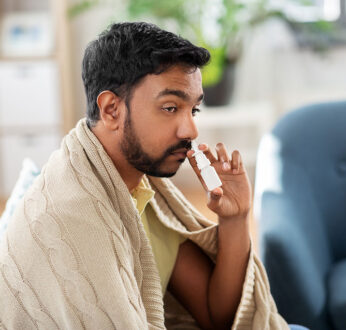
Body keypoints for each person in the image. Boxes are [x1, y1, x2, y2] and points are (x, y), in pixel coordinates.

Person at [0, 22, 289, 329]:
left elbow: (214, 313)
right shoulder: (71, 218)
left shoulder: (142, 192)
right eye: (170, 108)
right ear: (111, 109)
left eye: (193, 110)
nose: (190, 130)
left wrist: (235, 218)